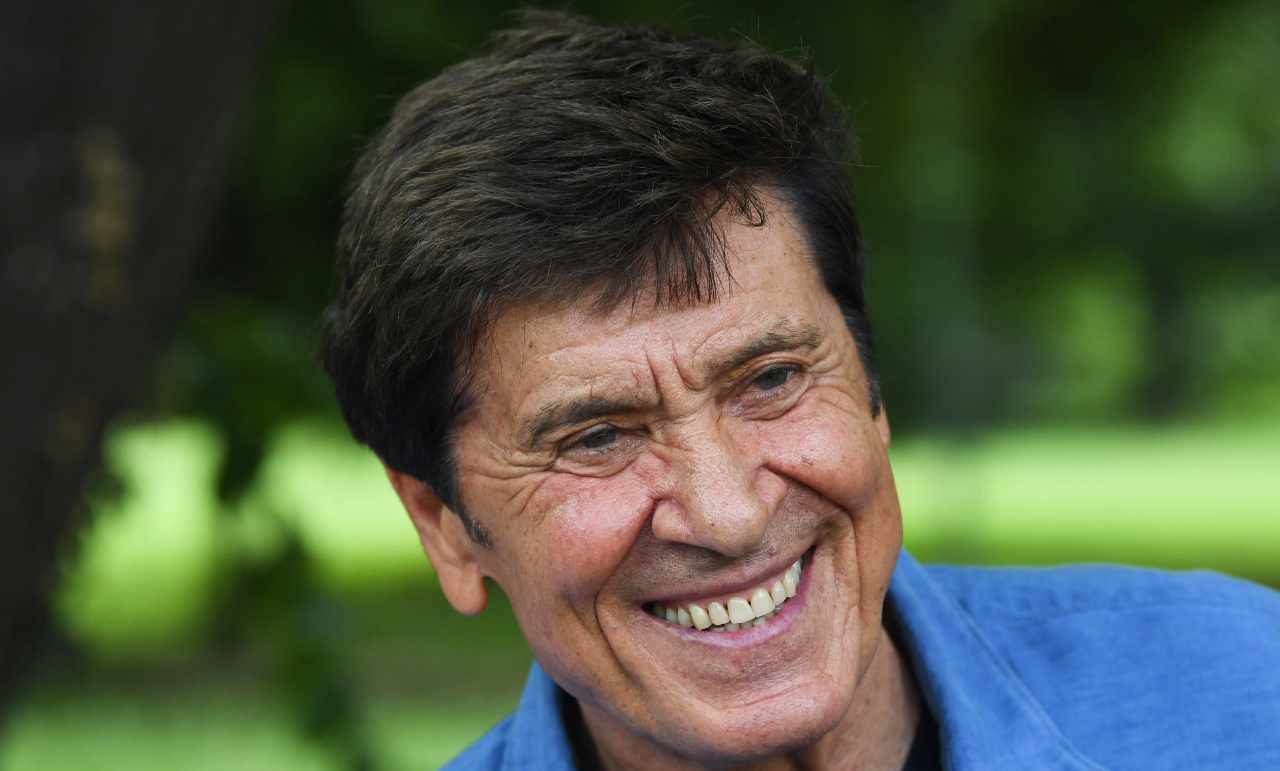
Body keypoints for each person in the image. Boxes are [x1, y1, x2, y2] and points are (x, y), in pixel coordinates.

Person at [320, 11, 1280, 770]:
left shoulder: (1248, 689)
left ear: (871, 392)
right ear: (447, 528)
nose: (728, 514)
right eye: (598, 437)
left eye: (771, 379)